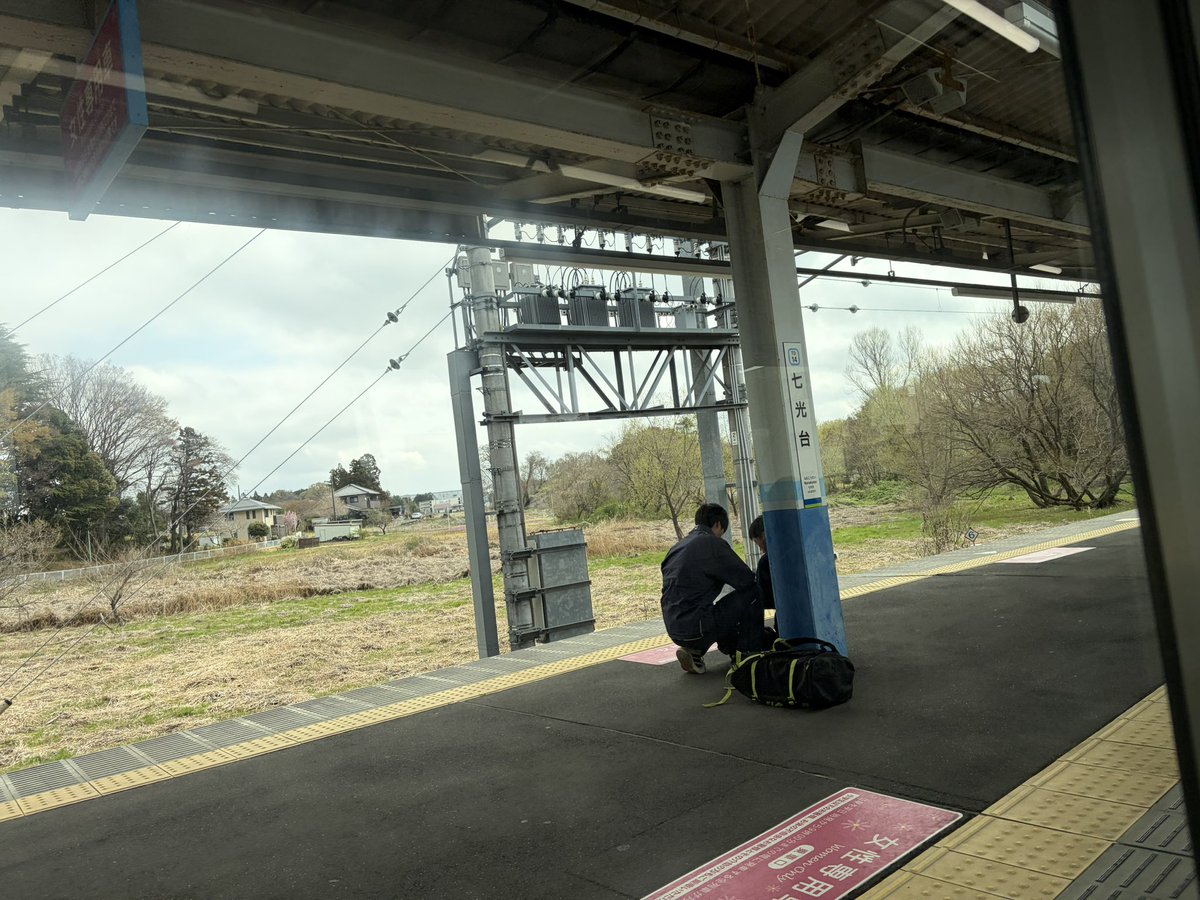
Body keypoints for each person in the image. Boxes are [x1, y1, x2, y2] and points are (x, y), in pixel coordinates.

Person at [660, 503, 764, 674]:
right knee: (753, 593)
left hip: (673, 627)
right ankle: (749, 653)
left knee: (715, 610)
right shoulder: (713, 544)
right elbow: (746, 580)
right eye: (722, 531)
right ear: (717, 525)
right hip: (698, 625)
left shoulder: (677, 547)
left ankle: (694, 651)